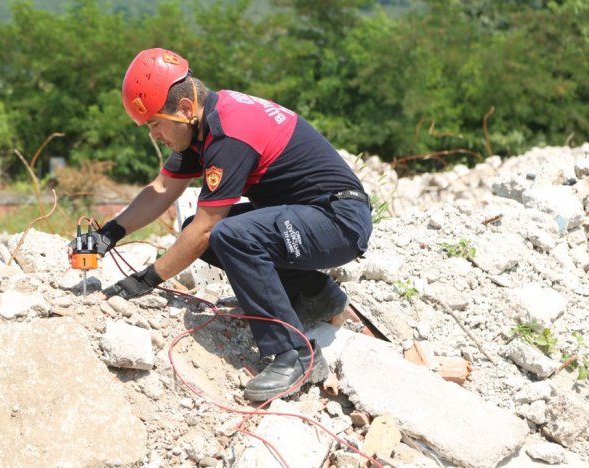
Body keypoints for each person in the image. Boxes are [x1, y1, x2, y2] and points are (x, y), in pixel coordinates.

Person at [85, 48, 373, 402]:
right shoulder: (202, 125)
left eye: (155, 124)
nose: (155, 136)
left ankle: (295, 355)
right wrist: (107, 234)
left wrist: (144, 281)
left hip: (338, 220)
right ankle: (315, 295)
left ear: (185, 109)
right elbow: (161, 190)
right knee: (205, 230)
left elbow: (207, 229)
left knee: (225, 234)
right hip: (308, 215)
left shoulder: (229, 133)